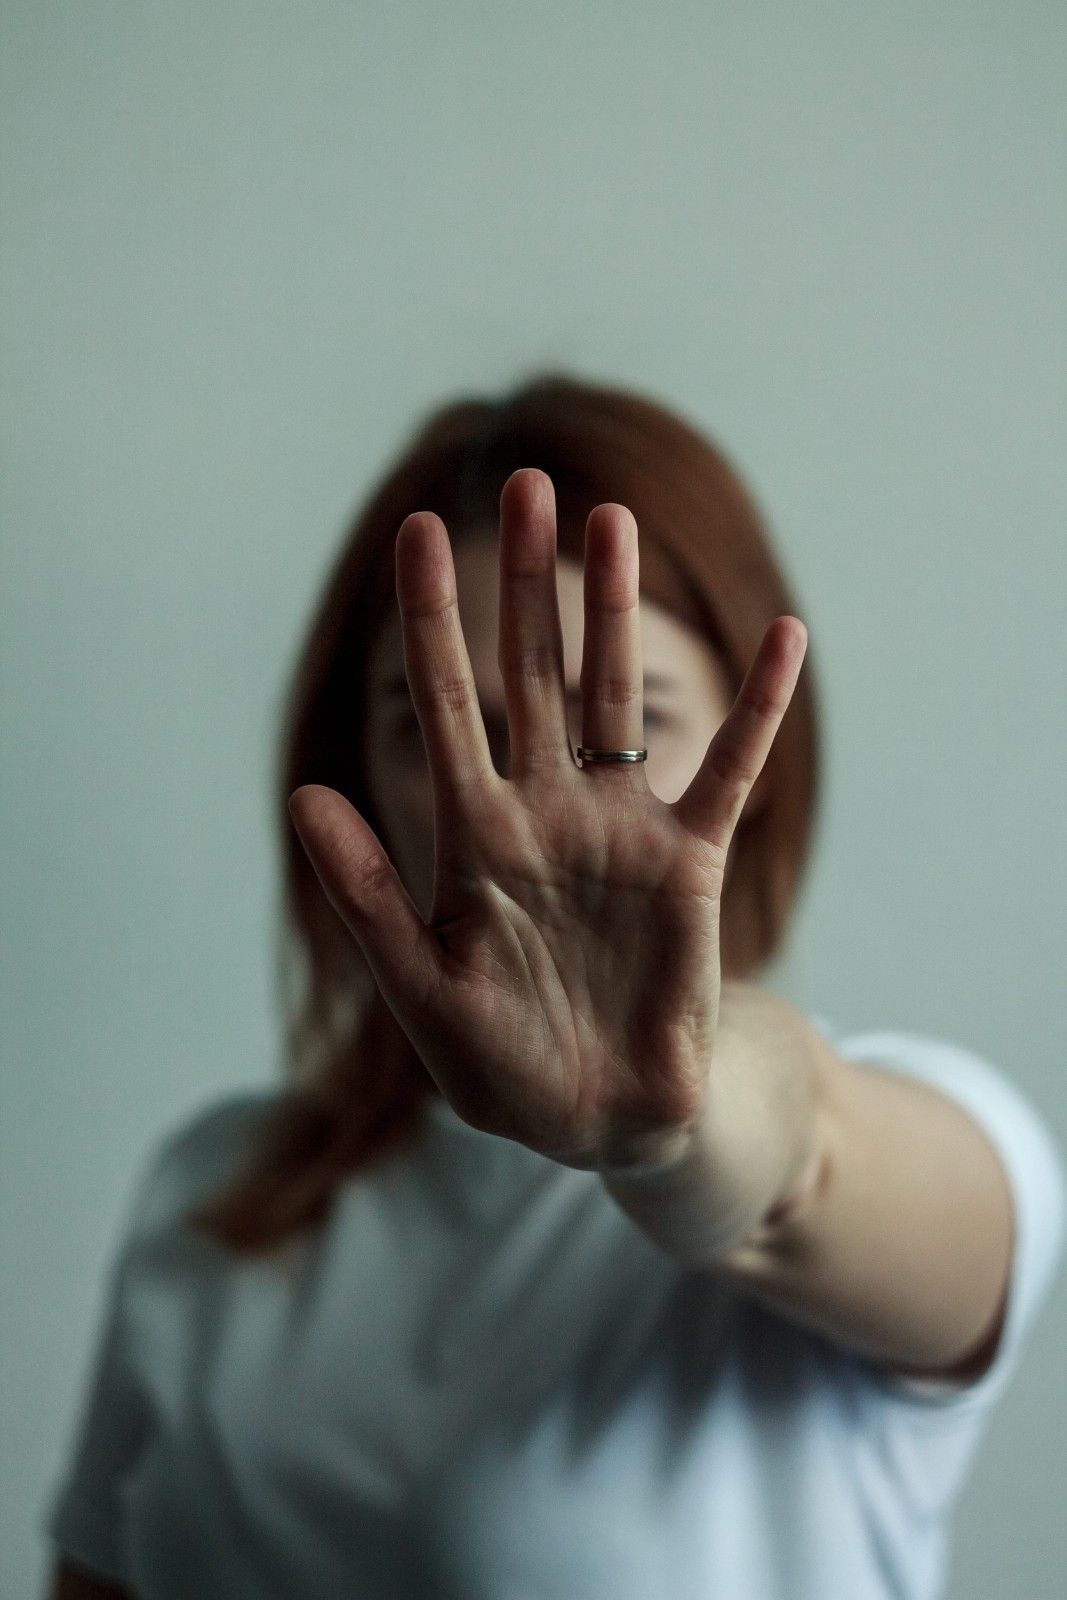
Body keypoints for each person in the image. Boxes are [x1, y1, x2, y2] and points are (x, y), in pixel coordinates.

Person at [42, 374, 1065, 1600]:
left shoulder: (928, 1133)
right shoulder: (211, 1191)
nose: (534, 804)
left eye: (626, 723)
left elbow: (803, 1157)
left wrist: (666, 1117)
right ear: (349, 770)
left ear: (761, 769)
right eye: (438, 725)